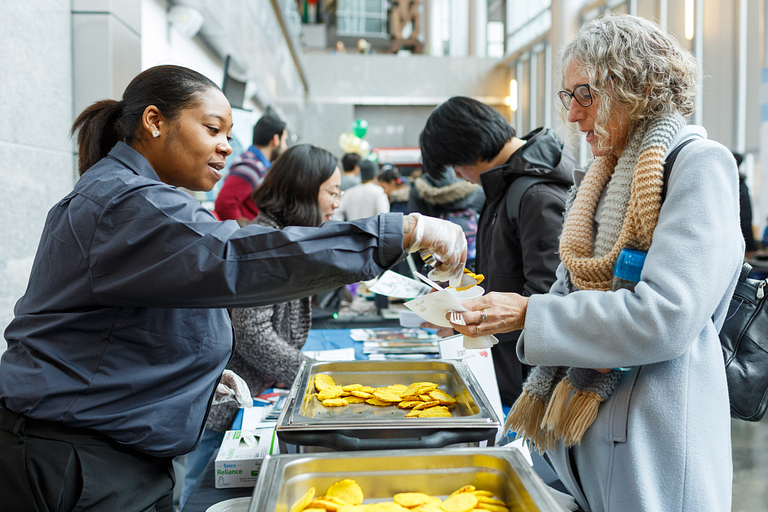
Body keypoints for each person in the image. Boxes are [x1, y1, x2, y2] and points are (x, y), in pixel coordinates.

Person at [0, 65, 467, 512]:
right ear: (154, 122)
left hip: (118, 450)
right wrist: (395, 233)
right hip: (79, 457)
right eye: (212, 129)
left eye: (229, 133)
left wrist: (189, 365)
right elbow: (235, 258)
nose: (226, 147)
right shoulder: (128, 202)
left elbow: (134, 310)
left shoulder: (134, 195)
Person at [449, 15, 742, 512]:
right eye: (569, 98)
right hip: (582, 434)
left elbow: (665, 317)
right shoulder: (599, 178)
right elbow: (567, 284)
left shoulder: (698, 165)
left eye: (585, 94)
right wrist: (498, 314)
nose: (575, 115)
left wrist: (527, 313)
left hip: (653, 437)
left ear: (638, 86)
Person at [180, 144, 342, 506]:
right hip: (228, 401)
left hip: (251, 395)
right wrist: (313, 374)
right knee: (201, 492)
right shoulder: (265, 243)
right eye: (332, 192)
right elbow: (252, 331)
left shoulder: (284, 236)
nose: (336, 203)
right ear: (304, 191)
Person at [420, 97, 576, 408]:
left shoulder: (534, 194)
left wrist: (465, 321)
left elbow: (547, 301)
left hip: (528, 382)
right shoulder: (505, 185)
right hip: (507, 370)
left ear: (470, 150)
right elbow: (509, 273)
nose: (458, 175)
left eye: (454, 165)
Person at [214, 113, 287, 226]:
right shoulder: (251, 166)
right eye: (284, 141)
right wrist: (247, 232)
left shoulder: (257, 165)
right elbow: (224, 205)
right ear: (275, 140)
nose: (285, 147)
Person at [409, 168, 485, 268]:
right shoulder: (477, 187)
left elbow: (418, 234)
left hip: (437, 265)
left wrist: (426, 268)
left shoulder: (419, 191)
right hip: (478, 261)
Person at [732, 151, 758, 254]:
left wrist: (749, 245)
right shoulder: (739, 183)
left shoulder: (739, 184)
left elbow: (745, 215)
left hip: (737, 240)